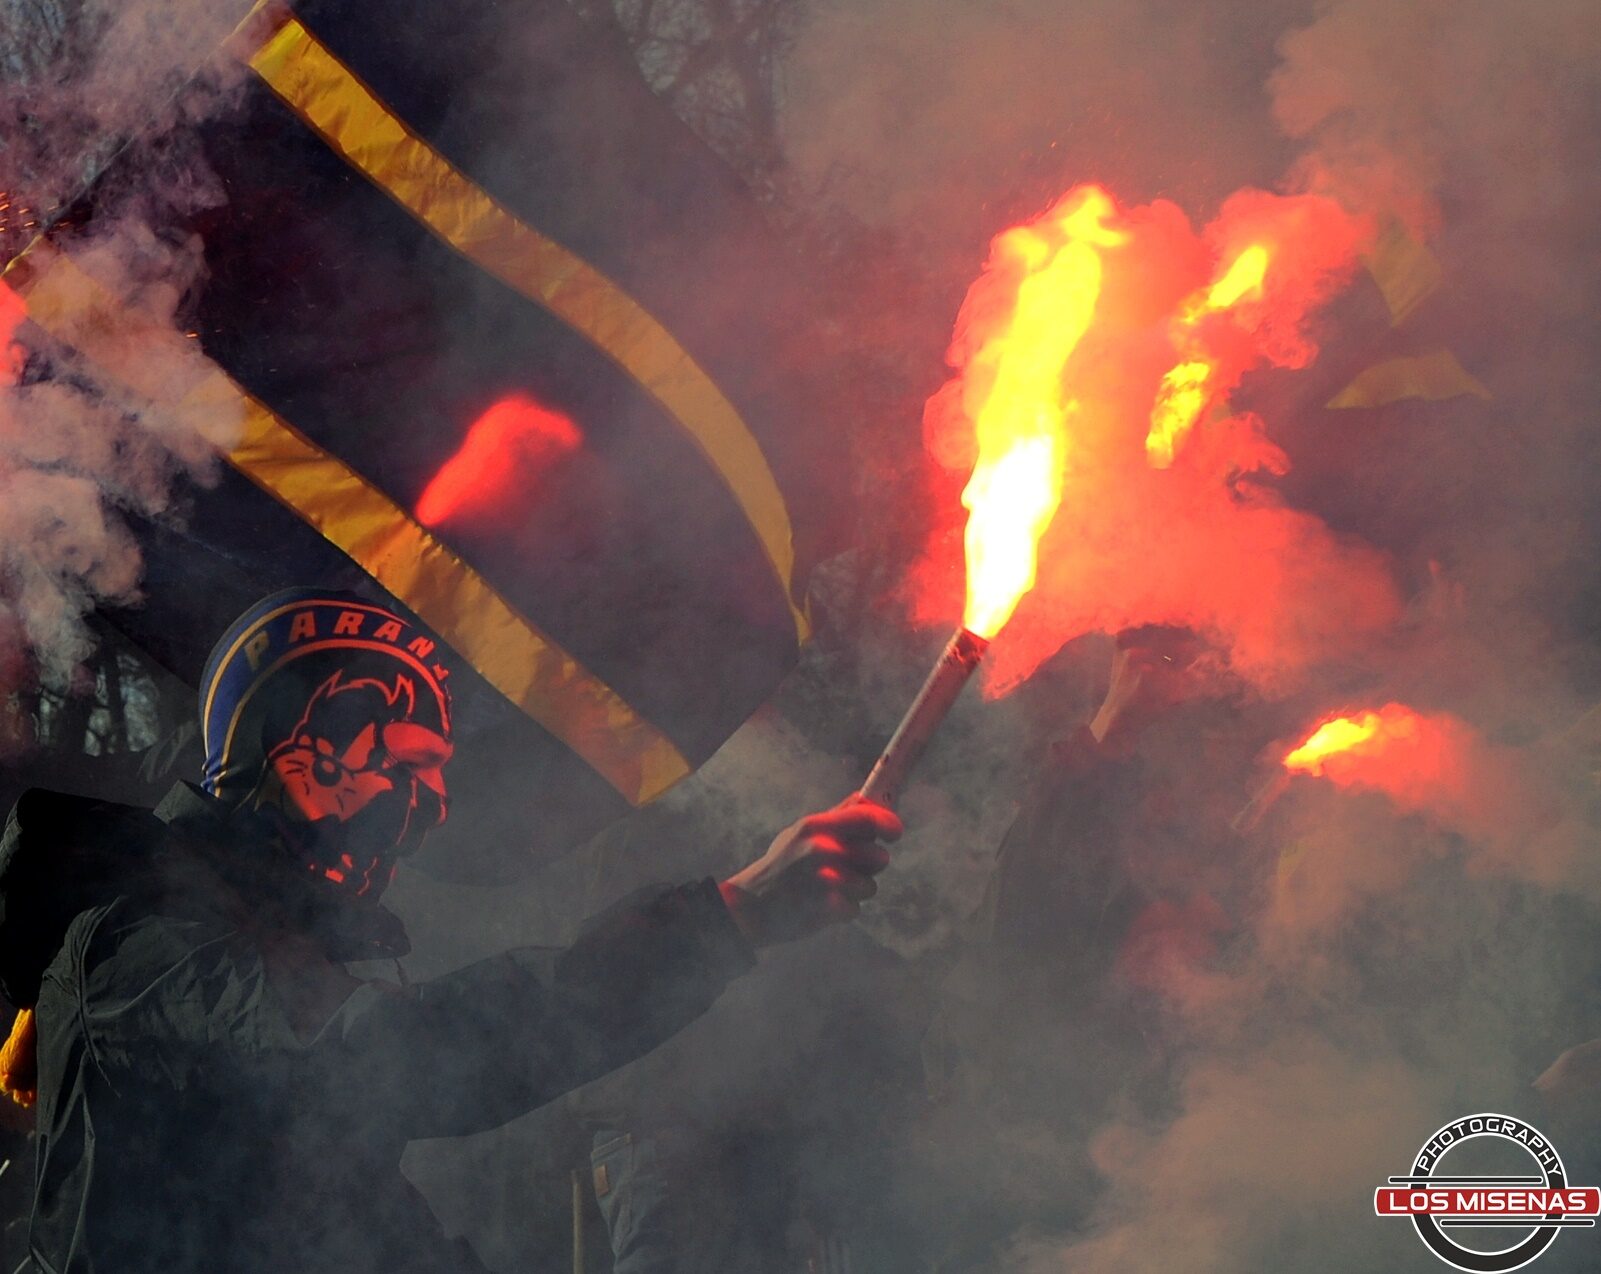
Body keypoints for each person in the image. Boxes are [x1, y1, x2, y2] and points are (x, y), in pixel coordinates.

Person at [0, 589, 901, 1273]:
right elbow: (398, 1059)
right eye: (407, 761)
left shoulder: (223, 949)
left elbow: (347, 1221)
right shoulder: (143, 937)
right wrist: (728, 916)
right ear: (297, 747)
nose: (435, 801)